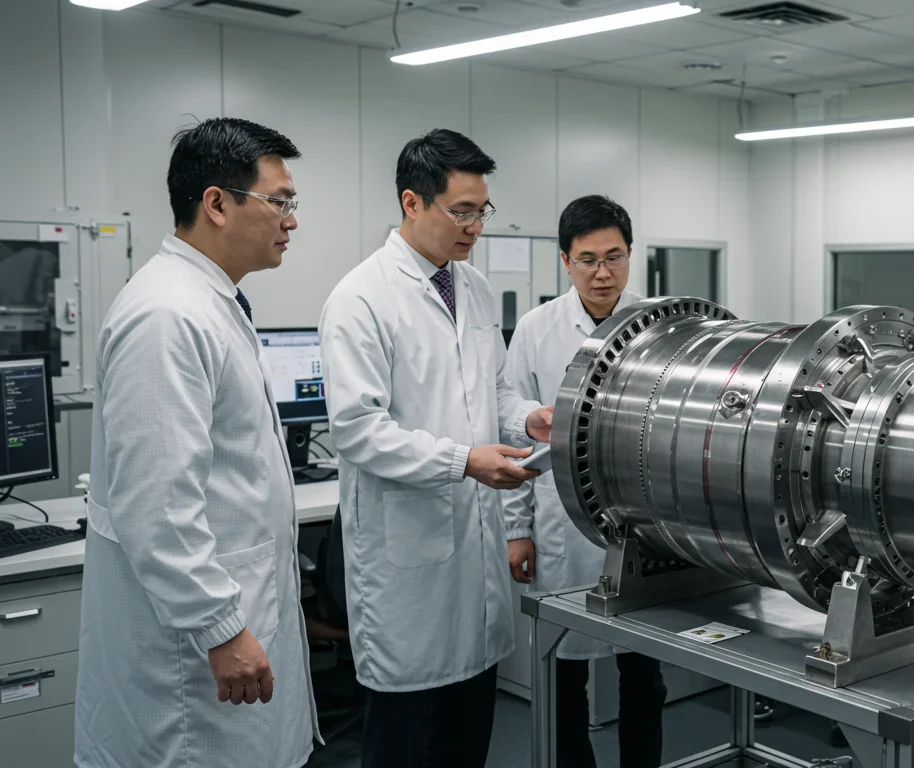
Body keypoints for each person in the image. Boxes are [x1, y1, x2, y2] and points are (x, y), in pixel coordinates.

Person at [74, 117, 317, 768]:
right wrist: (220, 627)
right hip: (187, 673)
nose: (292, 220)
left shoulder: (211, 301)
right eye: (281, 201)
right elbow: (157, 505)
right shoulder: (167, 315)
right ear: (216, 203)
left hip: (228, 634)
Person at [319, 128, 554, 768]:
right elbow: (358, 429)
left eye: (483, 211)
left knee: (466, 735)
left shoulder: (472, 288)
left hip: (473, 558)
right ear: (412, 203)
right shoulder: (361, 298)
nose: (476, 227)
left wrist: (529, 419)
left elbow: (496, 389)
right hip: (408, 568)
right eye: (462, 211)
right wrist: (464, 461)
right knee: (401, 741)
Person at [504, 195, 665, 768]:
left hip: (645, 525)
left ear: (630, 255)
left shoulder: (662, 327)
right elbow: (512, 419)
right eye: (588, 259)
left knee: (644, 674)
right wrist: (516, 530)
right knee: (562, 675)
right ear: (566, 262)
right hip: (562, 523)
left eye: (615, 257)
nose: (603, 272)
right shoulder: (537, 328)